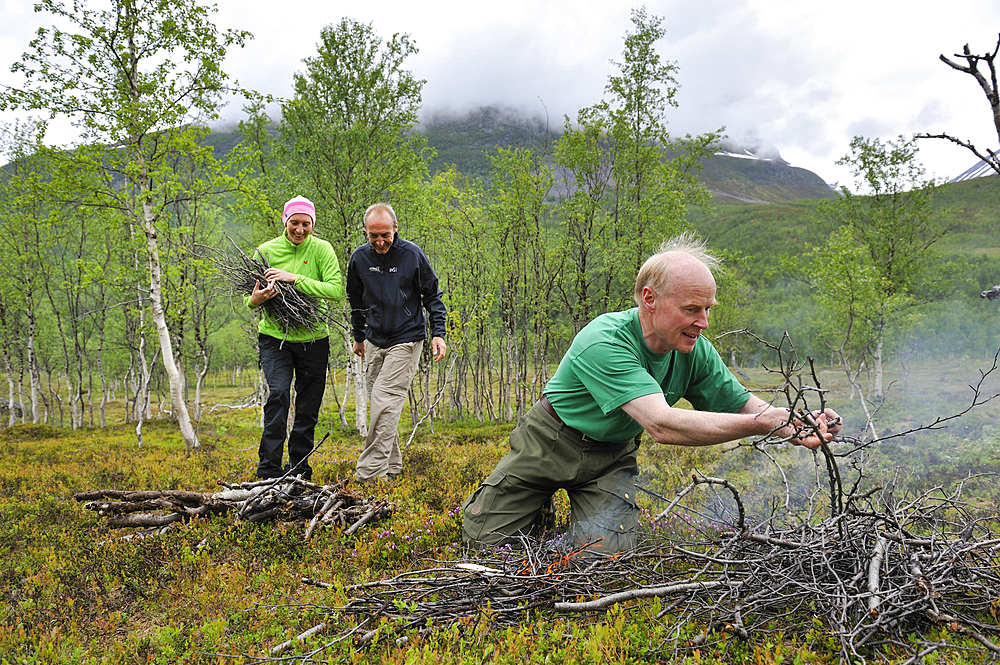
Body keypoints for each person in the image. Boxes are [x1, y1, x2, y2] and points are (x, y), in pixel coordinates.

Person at [462, 234, 842, 552]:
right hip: (548, 441)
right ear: (649, 299)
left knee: (602, 563)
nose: (704, 323)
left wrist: (793, 422)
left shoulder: (693, 349)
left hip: (611, 457)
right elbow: (662, 425)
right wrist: (764, 424)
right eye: (692, 308)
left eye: (708, 309)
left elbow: (746, 406)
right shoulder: (604, 340)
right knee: (485, 548)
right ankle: (534, 501)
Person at [348, 203, 447, 482]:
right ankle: (392, 468)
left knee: (385, 398)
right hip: (375, 338)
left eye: (385, 235)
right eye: (373, 236)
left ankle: (369, 474)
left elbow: (432, 296)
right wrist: (359, 337)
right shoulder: (358, 259)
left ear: (395, 229)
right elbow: (355, 302)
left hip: (407, 336)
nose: (380, 242)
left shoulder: (411, 255)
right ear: (366, 232)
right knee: (380, 403)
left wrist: (439, 333)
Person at [246, 195, 343, 481]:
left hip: (315, 339)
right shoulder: (265, 250)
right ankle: (268, 471)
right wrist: (255, 300)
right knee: (277, 395)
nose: (300, 229)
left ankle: (299, 470)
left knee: (307, 407)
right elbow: (247, 299)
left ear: (312, 224)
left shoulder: (322, 250)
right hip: (274, 338)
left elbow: (335, 289)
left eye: (306, 224)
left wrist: (293, 278)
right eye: (294, 223)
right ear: (285, 222)